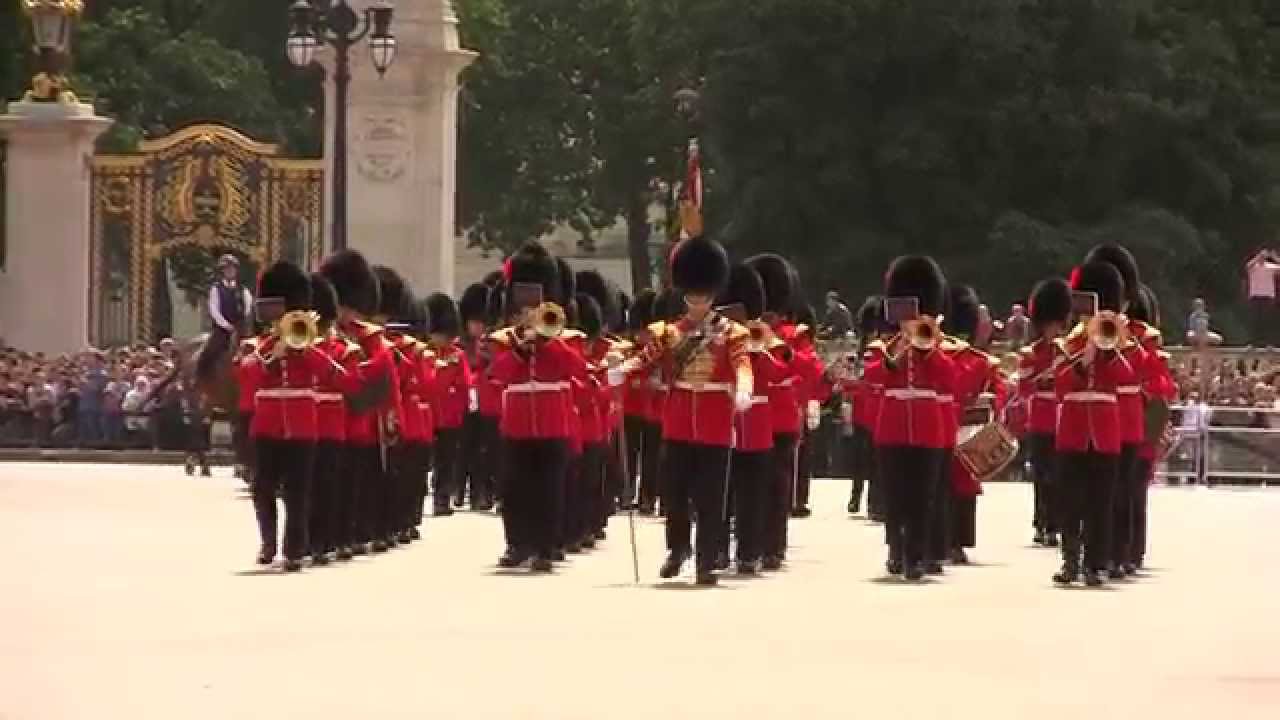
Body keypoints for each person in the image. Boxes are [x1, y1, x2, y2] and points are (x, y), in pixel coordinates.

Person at [625, 236, 753, 585]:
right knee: (676, 494)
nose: (697, 303)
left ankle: (707, 560)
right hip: (678, 421)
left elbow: (742, 363)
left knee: (712, 498)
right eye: (693, 297)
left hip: (714, 422)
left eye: (704, 297)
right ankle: (678, 548)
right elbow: (646, 358)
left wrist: (743, 386)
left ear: (713, 295)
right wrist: (621, 370)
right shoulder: (669, 333)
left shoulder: (731, 333)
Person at [488, 240, 589, 573]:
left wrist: (547, 341)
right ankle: (517, 544)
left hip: (553, 421)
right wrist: (520, 345)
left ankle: (546, 546)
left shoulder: (568, 338)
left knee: (550, 488)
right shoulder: (503, 338)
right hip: (516, 421)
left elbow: (575, 369)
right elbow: (497, 374)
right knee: (514, 487)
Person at [875, 256, 956, 580]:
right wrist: (899, 348)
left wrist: (928, 348)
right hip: (892, 428)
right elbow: (874, 376)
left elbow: (949, 379)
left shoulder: (939, 346)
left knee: (923, 496)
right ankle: (896, 549)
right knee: (895, 495)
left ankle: (916, 556)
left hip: (928, 429)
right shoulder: (885, 345)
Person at [1054, 261, 1134, 587]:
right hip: (1073, 433)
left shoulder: (1118, 346)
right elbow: (1059, 386)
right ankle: (1070, 561)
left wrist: (1107, 352)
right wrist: (1083, 359)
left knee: (1101, 503)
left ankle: (1096, 564)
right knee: (1071, 501)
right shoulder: (1068, 345)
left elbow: (1127, 379)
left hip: (1104, 434)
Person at [1019, 278, 1072, 547]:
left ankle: (1059, 522)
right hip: (1040, 419)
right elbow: (1024, 386)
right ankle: (1042, 522)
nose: (1053, 329)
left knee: (1062, 475)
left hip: (1064, 419)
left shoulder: (1069, 351)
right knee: (1042, 476)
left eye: (1057, 324)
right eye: (1049, 324)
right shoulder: (1031, 353)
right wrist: (1045, 376)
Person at [200, 254, 254, 381]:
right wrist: (226, 325)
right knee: (209, 351)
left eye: (232, 269)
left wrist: (241, 323)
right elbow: (214, 310)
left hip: (240, 327)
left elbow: (247, 308)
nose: (230, 271)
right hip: (222, 329)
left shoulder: (243, 290)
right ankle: (200, 376)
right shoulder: (216, 289)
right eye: (227, 269)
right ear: (223, 272)